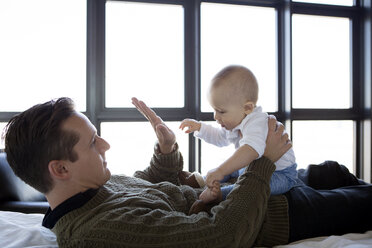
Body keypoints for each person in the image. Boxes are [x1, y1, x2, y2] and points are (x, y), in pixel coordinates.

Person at [2, 97, 372, 247]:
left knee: (332, 170)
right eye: (92, 142)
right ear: (61, 168)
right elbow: (221, 234)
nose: (105, 146)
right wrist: (261, 160)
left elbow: (146, 186)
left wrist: (165, 149)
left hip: (244, 189)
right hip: (270, 214)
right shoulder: (100, 231)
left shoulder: (92, 189)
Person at [180, 65, 297, 203]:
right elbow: (220, 137)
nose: (216, 117)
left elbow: (249, 150)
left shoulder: (256, 122)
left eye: (221, 111)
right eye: (214, 110)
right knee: (231, 167)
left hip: (280, 174)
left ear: (247, 108)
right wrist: (200, 127)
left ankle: (219, 196)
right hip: (249, 166)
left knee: (251, 187)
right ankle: (202, 181)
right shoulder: (236, 121)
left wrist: (220, 171)